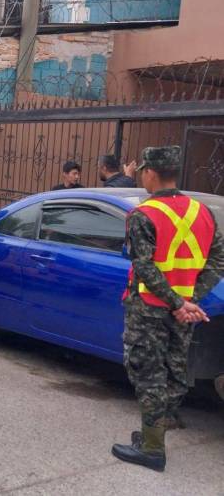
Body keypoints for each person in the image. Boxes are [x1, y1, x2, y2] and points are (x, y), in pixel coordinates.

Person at [111, 146, 223, 472]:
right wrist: (189, 301)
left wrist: (175, 302)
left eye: (143, 171)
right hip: (183, 311)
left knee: (147, 373)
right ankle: (156, 427)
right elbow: (218, 260)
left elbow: (144, 267)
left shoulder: (144, 215)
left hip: (148, 308)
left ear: (150, 173)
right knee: (174, 370)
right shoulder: (203, 212)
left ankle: (151, 448)